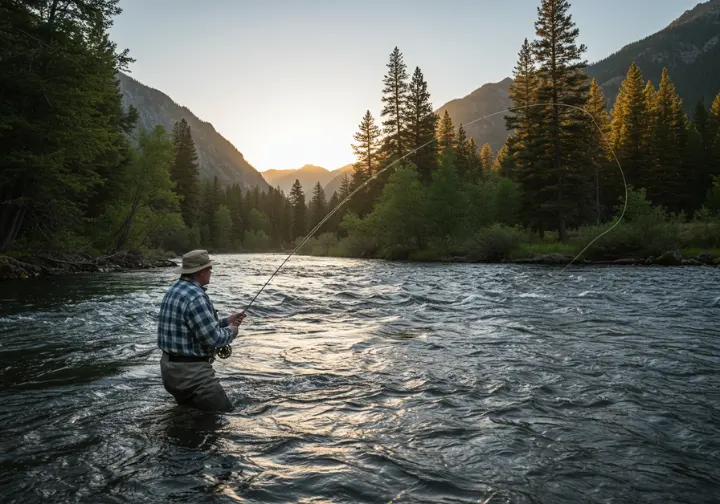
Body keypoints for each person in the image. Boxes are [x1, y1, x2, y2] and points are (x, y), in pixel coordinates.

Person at [157, 249, 245, 412]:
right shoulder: (197, 297)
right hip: (192, 376)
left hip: (170, 371)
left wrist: (226, 321)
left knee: (192, 418)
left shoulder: (175, 289)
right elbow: (212, 339)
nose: (211, 272)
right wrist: (232, 331)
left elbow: (195, 327)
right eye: (209, 268)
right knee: (223, 415)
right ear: (201, 272)